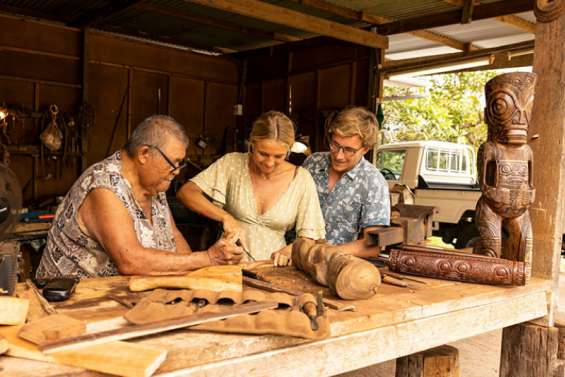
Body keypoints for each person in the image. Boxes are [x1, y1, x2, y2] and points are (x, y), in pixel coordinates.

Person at [36, 115, 242, 280]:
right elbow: (130, 260)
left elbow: (174, 237)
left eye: (181, 164)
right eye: (175, 162)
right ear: (144, 153)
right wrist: (207, 258)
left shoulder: (154, 185)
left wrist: (196, 274)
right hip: (72, 304)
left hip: (121, 297)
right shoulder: (103, 185)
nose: (177, 171)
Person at [177, 111, 325, 263]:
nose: (269, 163)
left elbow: (309, 237)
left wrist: (290, 250)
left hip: (274, 270)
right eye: (263, 153)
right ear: (251, 144)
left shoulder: (301, 179)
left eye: (278, 156)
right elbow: (186, 193)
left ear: (288, 151)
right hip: (227, 262)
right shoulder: (232, 164)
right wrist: (225, 217)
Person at [276, 107, 390, 262]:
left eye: (349, 150)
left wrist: (324, 253)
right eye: (335, 145)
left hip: (334, 266)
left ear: (365, 149)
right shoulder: (313, 163)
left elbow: (372, 246)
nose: (339, 155)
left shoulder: (373, 182)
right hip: (288, 257)